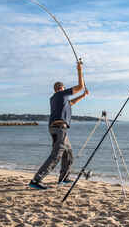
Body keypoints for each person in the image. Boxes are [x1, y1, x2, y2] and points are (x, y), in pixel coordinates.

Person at [29, 60, 89, 189]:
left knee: (69, 154)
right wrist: (79, 70)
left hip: (58, 129)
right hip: (59, 129)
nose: (65, 90)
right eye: (63, 88)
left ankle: (63, 178)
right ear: (60, 89)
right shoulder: (60, 94)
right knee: (56, 156)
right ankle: (36, 180)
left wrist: (83, 96)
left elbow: (71, 103)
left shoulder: (57, 99)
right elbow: (79, 86)